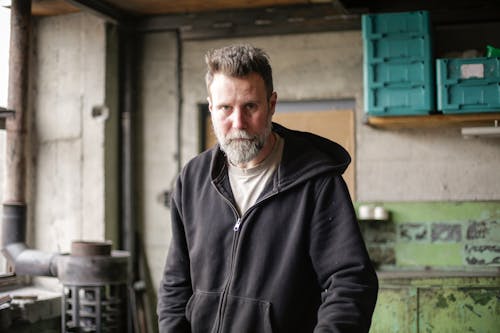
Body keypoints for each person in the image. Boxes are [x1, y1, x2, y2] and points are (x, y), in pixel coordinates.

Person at [157, 44, 378, 333]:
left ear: (271, 104)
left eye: (250, 106)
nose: (238, 123)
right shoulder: (193, 179)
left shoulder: (316, 183)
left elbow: (350, 283)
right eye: (225, 108)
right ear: (211, 108)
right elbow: (176, 283)